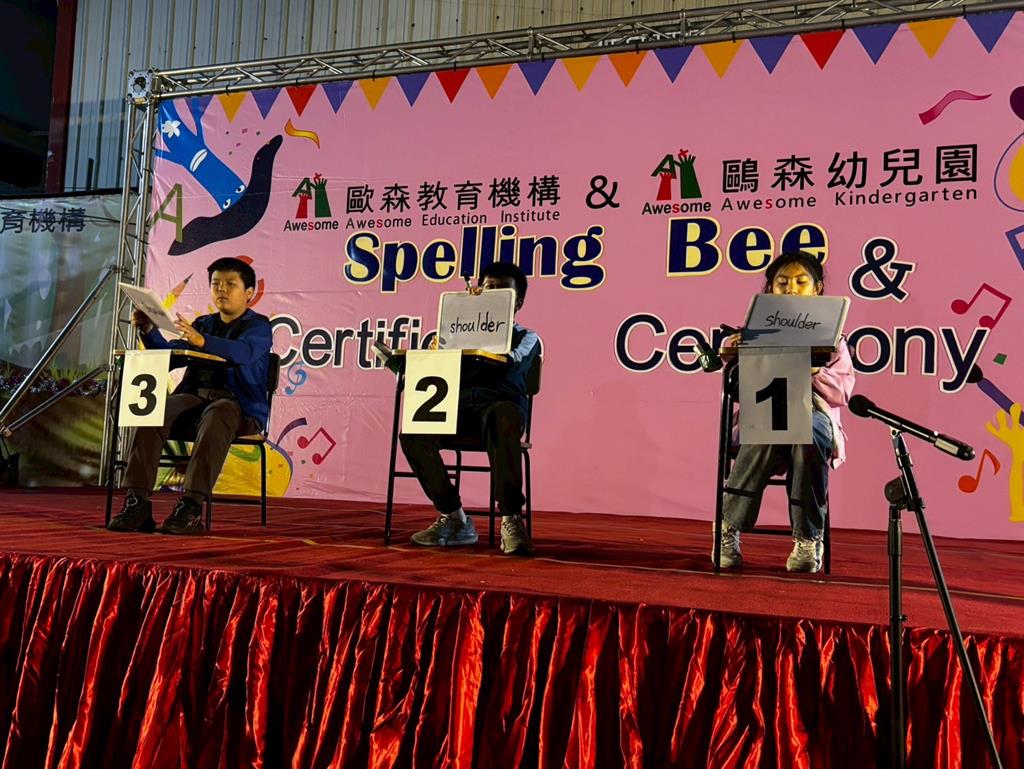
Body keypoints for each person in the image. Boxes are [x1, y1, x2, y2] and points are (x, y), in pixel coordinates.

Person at [107, 257, 272, 535]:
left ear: (249, 293)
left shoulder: (259, 327)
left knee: (219, 413)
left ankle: (191, 506)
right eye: (216, 284)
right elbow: (172, 356)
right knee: (155, 411)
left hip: (238, 408)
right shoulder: (203, 324)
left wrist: (202, 341)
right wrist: (149, 331)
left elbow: (243, 353)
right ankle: (138, 502)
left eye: (230, 284)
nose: (221, 289)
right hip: (195, 400)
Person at [717, 251, 855, 573]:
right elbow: (735, 385)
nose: (791, 288)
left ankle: (808, 537)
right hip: (766, 411)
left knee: (808, 433)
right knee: (770, 426)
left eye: (800, 282)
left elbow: (842, 392)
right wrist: (736, 349)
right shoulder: (753, 333)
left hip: (814, 414)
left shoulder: (834, 339)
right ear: (770, 289)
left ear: (817, 289)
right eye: (782, 282)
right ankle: (728, 528)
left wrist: (813, 371)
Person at [400, 262, 541, 555]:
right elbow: (435, 374)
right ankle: (454, 517)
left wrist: (475, 349)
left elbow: (509, 363)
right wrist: (438, 352)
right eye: (488, 289)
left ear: (518, 303)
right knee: (413, 431)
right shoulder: (451, 335)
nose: (494, 297)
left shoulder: (527, 338)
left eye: (503, 292)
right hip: (459, 413)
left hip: (499, 414)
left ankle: (511, 518)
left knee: (502, 415)